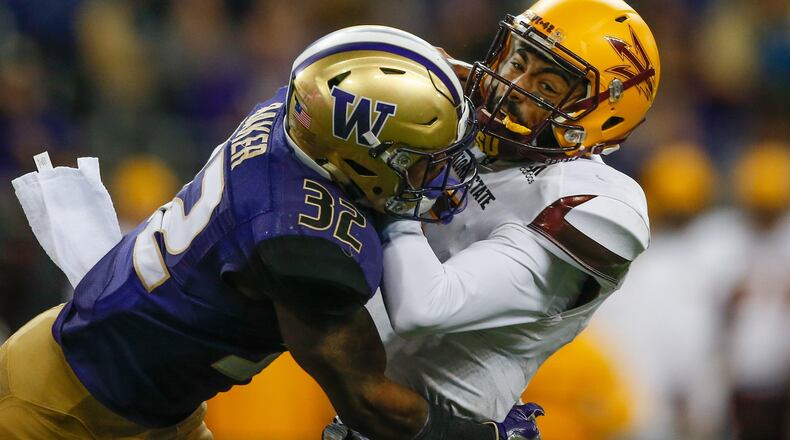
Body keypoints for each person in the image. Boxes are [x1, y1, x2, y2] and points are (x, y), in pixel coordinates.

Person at [2, 26, 543, 440]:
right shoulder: (302, 246)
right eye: (422, 160)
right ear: (366, 157)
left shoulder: (303, 118)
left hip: (147, 398)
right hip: (62, 411)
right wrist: (485, 433)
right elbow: (368, 402)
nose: (440, 175)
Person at [353, 0, 660, 429]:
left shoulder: (593, 202)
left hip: (442, 426)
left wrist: (401, 181)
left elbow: (423, 307)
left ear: (599, 116)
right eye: (517, 61)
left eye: (547, 86)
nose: (512, 86)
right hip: (361, 405)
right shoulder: (475, 126)